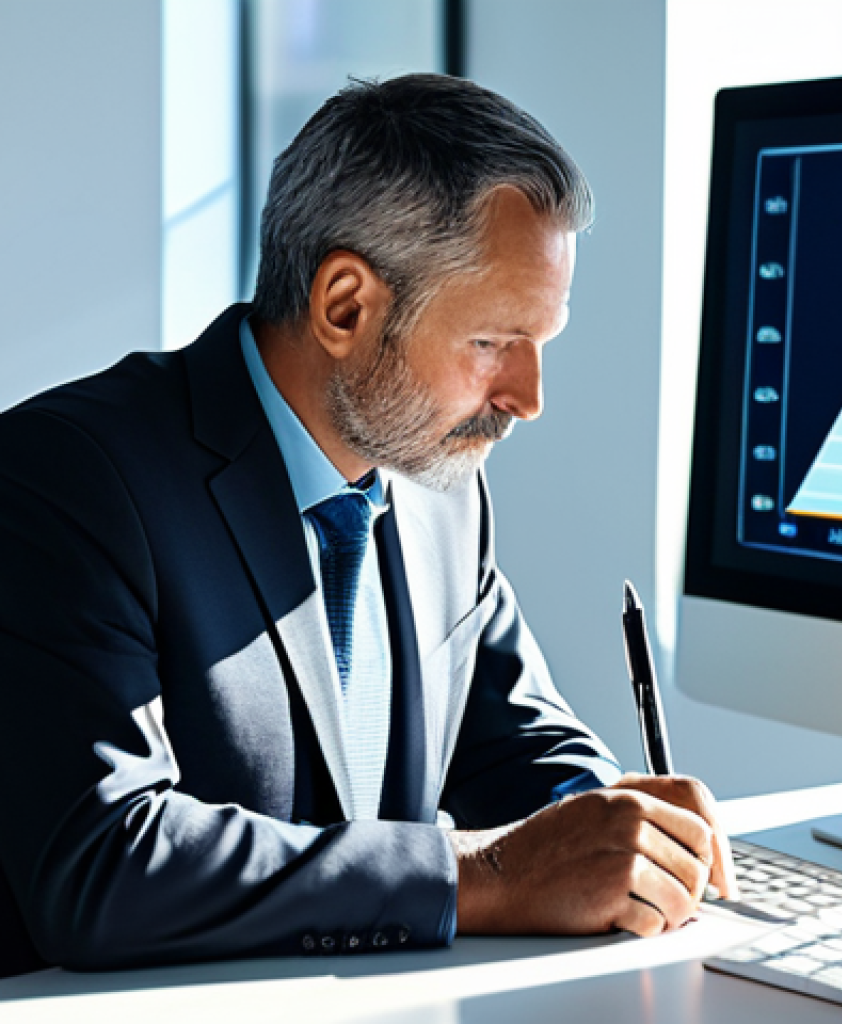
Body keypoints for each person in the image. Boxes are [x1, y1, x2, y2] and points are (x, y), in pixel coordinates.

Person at [0, 74, 736, 977]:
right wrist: (483, 877)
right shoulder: (69, 479)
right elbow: (103, 866)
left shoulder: (438, 487)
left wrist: (618, 826)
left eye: (542, 342)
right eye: (493, 342)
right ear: (345, 305)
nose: (527, 398)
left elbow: (512, 739)